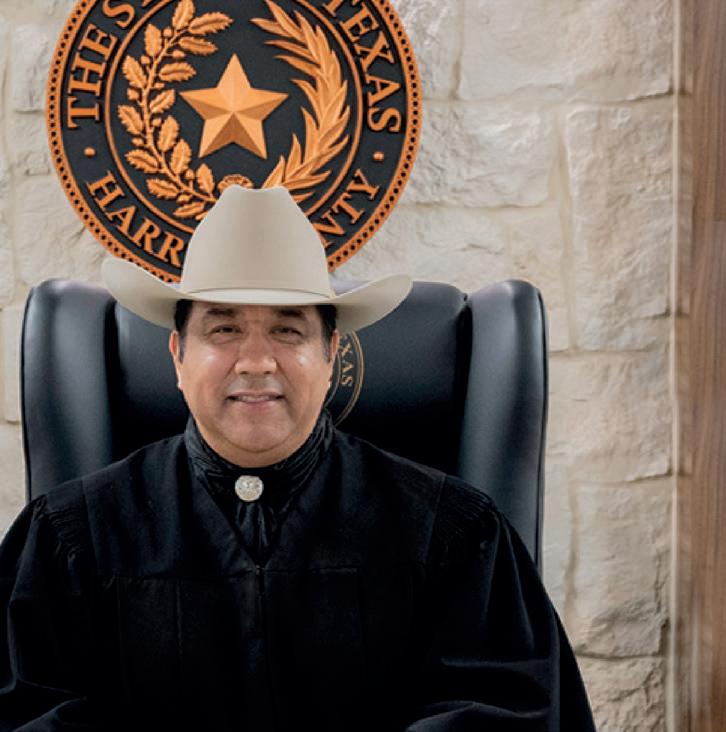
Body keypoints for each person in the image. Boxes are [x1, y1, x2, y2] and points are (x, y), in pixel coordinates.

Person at [0, 186, 595, 731]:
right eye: (223, 330)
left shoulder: (456, 535)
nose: (256, 361)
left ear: (331, 354)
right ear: (178, 355)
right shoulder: (68, 538)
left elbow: (507, 714)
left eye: (288, 332)